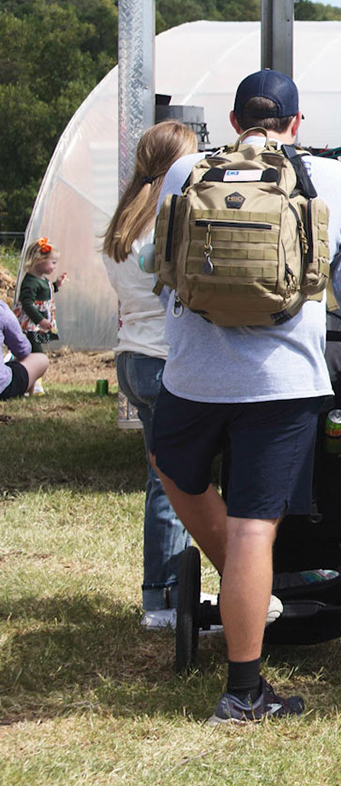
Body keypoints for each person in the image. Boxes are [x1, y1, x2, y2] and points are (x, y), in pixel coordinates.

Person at [149, 70, 341, 723]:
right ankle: (244, 690)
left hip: (193, 375)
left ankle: (243, 592)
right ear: (297, 124)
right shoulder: (329, 179)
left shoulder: (187, 171)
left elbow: (161, 273)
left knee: (173, 468)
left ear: (233, 122)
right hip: (284, 380)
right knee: (257, 525)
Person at [102, 120, 201, 629]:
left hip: (130, 359)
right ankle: (162, 600)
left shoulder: (123, 222)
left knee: (158, 479)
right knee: (174, 484)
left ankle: (162, 592)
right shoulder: (169, 220)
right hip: (165, 360)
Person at [17, 238, 66, 391]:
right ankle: (34, 384)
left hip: (37, 325)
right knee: (36, 353)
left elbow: (46, 292)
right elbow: (27, 304)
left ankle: (30, 384)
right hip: (30, 327)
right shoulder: (30, 282)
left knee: (33, 352)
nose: (54, 266)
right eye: (53, 263)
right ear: (39, 260)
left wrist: (56, 285)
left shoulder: (41, 280)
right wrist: (40, 320)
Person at [0, 296, 49, 401]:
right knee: (42, 359)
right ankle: (29, 391)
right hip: (3, 388)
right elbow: (23, 350)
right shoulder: (2, 310)